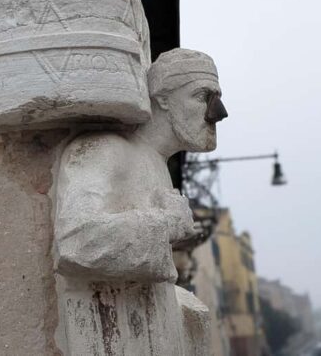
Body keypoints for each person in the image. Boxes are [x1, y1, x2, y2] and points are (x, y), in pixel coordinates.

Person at [53, 48, 228, 356]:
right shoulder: (106, 149)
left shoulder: (157, 165)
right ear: (162, 98)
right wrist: (166, 224)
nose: (218, 112)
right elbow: (76, 241)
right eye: (203, 96)